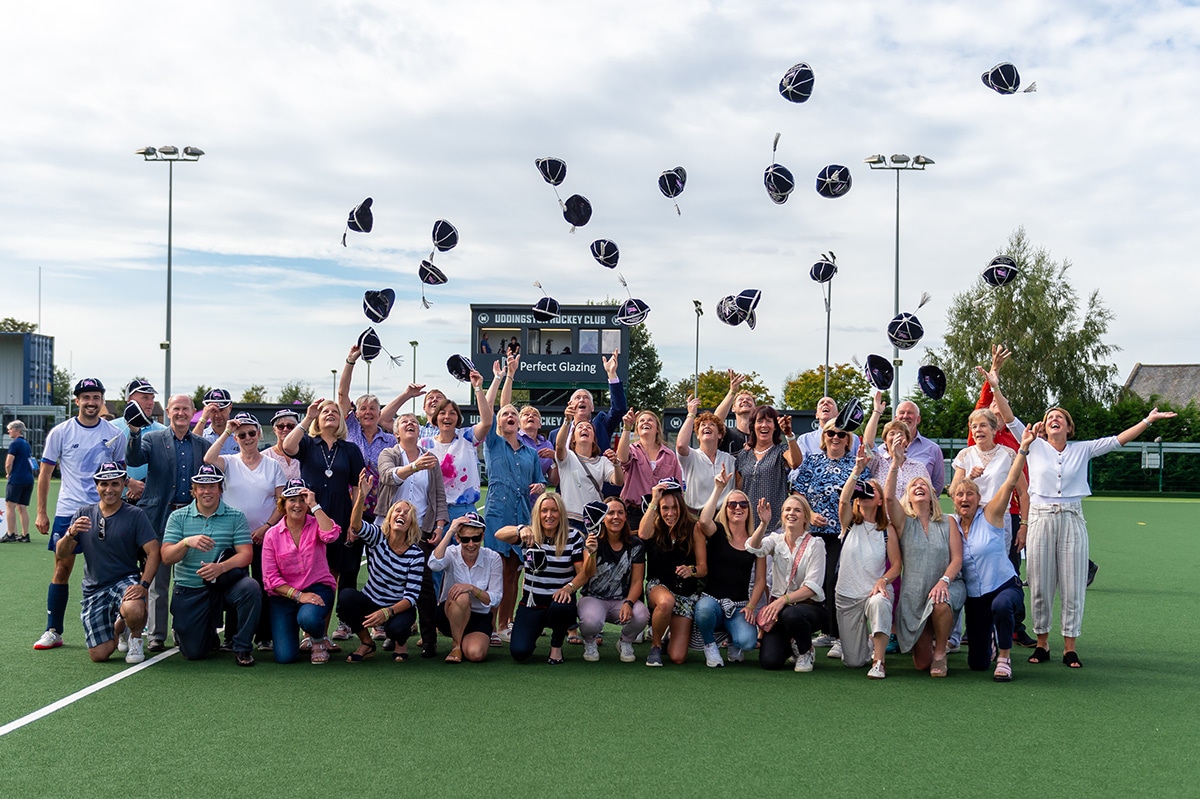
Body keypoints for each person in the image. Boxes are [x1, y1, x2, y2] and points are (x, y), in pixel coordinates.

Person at [990, 376, 1175, 668]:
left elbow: (1118, 440)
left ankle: (1070, 647)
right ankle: (1041, 645)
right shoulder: (1034, 446)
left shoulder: (1083, 449)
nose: (1054, 420)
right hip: (1040, 517)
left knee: (1074, 584)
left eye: (1060, 417)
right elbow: (1010, 416)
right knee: (1039, 583)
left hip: (1073, 518)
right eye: (1050, 417)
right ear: (1044, 425)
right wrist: (996, 385)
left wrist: (1148, 420)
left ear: (1068, 426)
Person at [33, 378, 126, 651]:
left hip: (106, 511)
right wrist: (41, 512)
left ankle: (116, 631)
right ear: (76, 401)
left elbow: (120, 475)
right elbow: (46, 473)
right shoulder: (60, 432)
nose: (91, 402)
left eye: (95, 397)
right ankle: (53, 630)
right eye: (85, 397)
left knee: (111, 571)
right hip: (69, 511)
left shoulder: (114, 433)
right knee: (62, 567)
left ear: (102, 400)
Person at [949, 425, 1035, 681]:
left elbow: (1010, 483)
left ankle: (1005, 658)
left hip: (1004, 588)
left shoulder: (991, 515)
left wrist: (1023, 449)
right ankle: (989, 644)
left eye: (970, 494)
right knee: (976, 664)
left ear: (979, 498)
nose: (965, 498)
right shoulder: (951, 525)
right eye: (960, 495)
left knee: (1001, 605)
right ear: (954, 500)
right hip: (976, 598)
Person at [125, 393, 209, 652]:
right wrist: (134, 432)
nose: (181, 413)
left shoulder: (202, 445)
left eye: (185, 408)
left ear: (193, 411)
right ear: (169, 411)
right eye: (176, 408)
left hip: (191, 520)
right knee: (158, 581)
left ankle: (184, 630)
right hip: (160, 518)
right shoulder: (151, 438)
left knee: (190, 582)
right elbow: (134, 459)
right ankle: (157, 634)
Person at [57, 462, 160, 664]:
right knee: (100, 655)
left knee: (134, 607)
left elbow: (154, 551)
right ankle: (119, 624)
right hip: (94, 587)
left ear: (123, 485)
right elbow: (62, 553)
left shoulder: (135, 514)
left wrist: (144, 585)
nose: (109, 489)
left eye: (115, 484)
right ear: (96, 486)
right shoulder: (83, 513)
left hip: (124, 579)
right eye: (104, 484)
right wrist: (71, 534)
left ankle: (136, 638)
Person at [282, 397, 366, 640]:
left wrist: (354, 522)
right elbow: (288, 446)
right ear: (317, 419)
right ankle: (309, 633)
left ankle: (322, 635)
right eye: (325, 411)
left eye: (335, 412)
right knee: (311, 574)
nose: (330, 413)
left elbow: (358, 488)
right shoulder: (308, 444)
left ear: (341, 420)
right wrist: (307, 416)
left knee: (332, 576)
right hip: (309, 518)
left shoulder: (350, 449)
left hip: (340, 516)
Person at [160, 464, 261, 666]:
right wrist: (187, 542)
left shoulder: (235, 516)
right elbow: (167, 557)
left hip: (224, 586)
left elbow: (246, 555)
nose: (207, 491)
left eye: (212, 486)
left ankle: (241, 647)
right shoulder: (178, 517)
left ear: (220, 489)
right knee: (194, 653)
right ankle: (200, 632)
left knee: (251, 588)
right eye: (202, 487)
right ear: (194, 490)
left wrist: (220, 568)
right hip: (190, 588)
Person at [204, 412, 285, 651]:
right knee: (235, 586)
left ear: (259, 434)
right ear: (236, 438)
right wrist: (227, 431)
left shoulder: (273, 465)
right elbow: (208, 459)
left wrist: (266, 527)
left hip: (265, 537)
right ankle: (232, 636)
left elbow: (281, 502)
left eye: (251, 433)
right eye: (242, 434)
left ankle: (263, 637)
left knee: (264, 585)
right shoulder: (229, 461)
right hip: (234, 538)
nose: (247, 437)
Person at [886, 443, 964, 678]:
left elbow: (957, 559)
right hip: (915, 594)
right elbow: (888, 498)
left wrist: (943, 581)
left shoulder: (948, 521)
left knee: (941, 602)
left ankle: (941, 652)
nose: (920, 486)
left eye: (924, 485)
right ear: (908, 497)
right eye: (914, 486)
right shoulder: (903, 523)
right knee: (921, 664)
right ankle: (930, 637)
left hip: (947, 586)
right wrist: (895, 464)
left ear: (932, 494)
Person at [788, 418, 863, 655]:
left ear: (848, 439)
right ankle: (824, 631)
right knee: (812, 583)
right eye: (831, 433)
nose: (835, 438)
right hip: (813, 535)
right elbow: (798, 495)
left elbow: (863, 499)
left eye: (841, 434)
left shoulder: (855, 464)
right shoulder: (811, 461)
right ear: (824, 436)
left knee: (834, 581)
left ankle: (841, 635)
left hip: (843, 535)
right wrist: (809, 514)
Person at [378, 411, 448, 655]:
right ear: (396, 432)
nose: (410, 424)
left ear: (419, 432)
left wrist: (439, 525)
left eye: (413, 422)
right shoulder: (389, 454)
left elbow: (439, 495)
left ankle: (429, 640)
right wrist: (414, 466)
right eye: (403, 422)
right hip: (392, 532)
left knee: (425, 587)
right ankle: (394, 634)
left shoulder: (431, 459)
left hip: (421, 532)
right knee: (391, 584)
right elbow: (388, 477)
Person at [338, 469, 425, 663]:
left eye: (406, 513)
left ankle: (400, 643)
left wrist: (387, 612)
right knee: (345, 598)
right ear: (390, 516)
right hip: (372, 600)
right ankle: (367, 643)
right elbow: (356, 526)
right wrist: (362, 495)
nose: (401, 514)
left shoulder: (416, 554)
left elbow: (411, 597)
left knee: (397, 628)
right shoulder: (378, 537)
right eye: (397, 510)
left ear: (411, 523)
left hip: (398, 606)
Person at [482, 390, 544, 645]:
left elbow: (540, 479)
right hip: (498, 513)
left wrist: (540, 486)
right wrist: (496, 381)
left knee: (512, 574)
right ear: (498, 422)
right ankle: (488, 627)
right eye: (505, 413)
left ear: (519, 423)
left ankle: (505, 624)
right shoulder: (493, 443)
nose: (509, 416)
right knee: (494, 571)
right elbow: (487, 409)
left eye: (513, 414)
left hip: (523, 514)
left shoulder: (530, 453)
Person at [337, 345, 426, 519]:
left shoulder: (391, 440)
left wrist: (407, 394)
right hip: (350, 502)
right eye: (363, 408)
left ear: (379, 414)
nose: (368, 412)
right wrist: (350, 361)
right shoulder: (351, 429)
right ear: (356, 414)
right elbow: (342, 395)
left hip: (382, 507)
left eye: (373, 409)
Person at [496, 493, 584, 664]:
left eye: (554, 511)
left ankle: (556, 646)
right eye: (544, 511)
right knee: (519, 652)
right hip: (532, 603)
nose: (549, 515)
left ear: (561, 513)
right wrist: (520, 529)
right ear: (537, 513)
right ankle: (533, 629)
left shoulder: (573, 537)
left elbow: (583, 573)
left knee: (562, 607)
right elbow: (499, 534)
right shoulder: (530, 536)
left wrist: (569, 588)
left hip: (558, 601)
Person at [834, 452, 900, 678]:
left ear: (880, 500)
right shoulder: (849, 523)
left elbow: (896, 565)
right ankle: (866, 645)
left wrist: (883, 580)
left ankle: (879, 661)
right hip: (847, 594)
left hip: (874, 591)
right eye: (861, 492)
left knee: (881, 602)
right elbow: (844, 500)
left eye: (870, 491)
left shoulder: (887, 530)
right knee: (853, 661)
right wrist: (857, 471)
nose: (863, 495)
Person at [260, 479, 340, 664]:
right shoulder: (272, 535)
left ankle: (318, 640)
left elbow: (331, 535)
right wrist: (298, 595)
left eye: (302, 499)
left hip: (317, 588)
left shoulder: (316, 524)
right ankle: (300, 636)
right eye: (292, 500)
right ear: (283, 504)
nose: (297, 505)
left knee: (308, 617)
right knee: (285, 657)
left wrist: (315, 505)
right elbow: (270, 578)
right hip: (284, 595)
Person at [694, 467, 767, 667]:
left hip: (739, 605)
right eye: (732, 504)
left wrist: (751, 606)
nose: (737, 508)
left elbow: (761, 579)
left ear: (749, 509)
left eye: (743, 504)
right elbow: (703, 520)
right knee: (704, 611)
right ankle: (710, 646)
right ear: (725, 509)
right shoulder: (717, 531)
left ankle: (734, 640)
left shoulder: (755, 540)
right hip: (712, 601)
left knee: (748, 642)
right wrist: (718, 489)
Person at [747, 493, 827, 672]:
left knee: (792, 614)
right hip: (780, 611)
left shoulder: (816, 544)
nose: (792, 513)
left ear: (806, 517)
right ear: (782, 515)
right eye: (788, 510)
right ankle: (791, 645)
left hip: (808, 608)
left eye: (797, 510)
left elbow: (812, 587)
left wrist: (783, 600)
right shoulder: (775, 539)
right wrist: (763, 523)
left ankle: (806, 651)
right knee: (770, 662)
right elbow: (753, 547)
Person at [637, 478, 707, 666]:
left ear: (681, 506)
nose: (670, 513)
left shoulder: (694, 528)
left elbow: (703, 568)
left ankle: (667, 634)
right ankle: (656, 645)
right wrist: (654, 500)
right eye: (665, 508)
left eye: (674, 507)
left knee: (677, 657)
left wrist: (690, 570)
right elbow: (642, 534)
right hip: (658, 586)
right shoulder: (655, 527)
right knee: (667, 602)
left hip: (685, 593)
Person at [577, 497, 650, 663]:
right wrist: (592, 552)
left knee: (642, 614)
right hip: (594, 597)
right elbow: (587, 573)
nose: (616, 517)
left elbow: (638, 580)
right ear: (603, 517)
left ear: (625, 517)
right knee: (590, 621)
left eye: (620, 513)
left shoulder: (636, 544)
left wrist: (629, 602)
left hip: (621, 600)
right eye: (610, 513)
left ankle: (625, 641)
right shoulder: (593, 540)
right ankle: (590, 641)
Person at [428, 512, 503, 663]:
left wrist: (471, 588)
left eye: (476, 538)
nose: (471, 544)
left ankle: (463, 642)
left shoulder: (493, 558)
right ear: (457, 538)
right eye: (465, 539)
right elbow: (434, 564)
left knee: (476, 654)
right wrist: (449, 531)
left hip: (479, 616)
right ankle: (456, 646)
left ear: (482, 537)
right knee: (462, 596)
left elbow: (495, 599)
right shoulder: (451, 552)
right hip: (449, 614)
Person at [734, 405, 802, 532]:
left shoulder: (781, 450)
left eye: (769, 421)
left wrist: (789, 435)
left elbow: (795, 462)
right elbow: (738, 489)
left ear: (775, 426)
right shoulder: (744, 455)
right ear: (753, 426)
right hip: (748, 526)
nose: (764, 425)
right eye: (760, 421)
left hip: (776, 527)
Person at [554, 398, 623, 522]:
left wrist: (617, 464)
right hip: (569, 520)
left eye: (589, 428)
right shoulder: (567, 457)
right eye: (580, 427)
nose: (585, 428)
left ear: (594, 439)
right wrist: (567, 421)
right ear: (573, 438)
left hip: (593, 520)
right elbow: (559, 446)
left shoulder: (603, 461)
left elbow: (618, 481)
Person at [548, 350, 626, 454]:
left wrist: (611, 374)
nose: (582, 400)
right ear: (569, 405)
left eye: (586, 397)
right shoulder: (555, 435)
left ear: (592, 407)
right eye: (577, 398)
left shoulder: (601, 424)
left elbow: (619, 409)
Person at [618, 409, 682, 530]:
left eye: (650, 420)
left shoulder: (669, 455)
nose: (645, 422)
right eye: (641, 421)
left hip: (662, 513)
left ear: (657, 428)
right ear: (637, 429)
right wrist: (627, 428)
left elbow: (678, 488)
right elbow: (621, 458)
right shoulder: (631, 449)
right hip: (634, 512)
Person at [108, 379, 165, 503]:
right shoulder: (111, 428)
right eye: (145, 398)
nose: (150, 403)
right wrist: (128, 482)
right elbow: (103, 462)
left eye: (152, 398)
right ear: (129, 400)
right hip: (117, 500)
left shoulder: (163, 431)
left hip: (152, 502)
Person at [676, 396, 736, 511]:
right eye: (703, 425)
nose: (707, 426)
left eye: (712, 425)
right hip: (696, 516)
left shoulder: (730, 460)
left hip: (723, 517)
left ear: (719, 435)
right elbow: (681, 445)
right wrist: (691, 414)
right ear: (698, 435)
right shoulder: (691, 457)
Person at [884, 399, 945, 497]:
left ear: (918, 419)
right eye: (902, 413)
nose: (905, 416)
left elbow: (937, 485)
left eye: (910, 413)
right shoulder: (881, 450)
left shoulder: (933, 449)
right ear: (895, 418)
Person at [3, 419, 34, 542]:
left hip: (17, 478)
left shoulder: (14, 444)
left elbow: (9, 463)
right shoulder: (26, 444)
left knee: (10, 505)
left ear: (17, 430)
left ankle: (11, 533)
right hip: (28, 478)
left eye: (10, 429)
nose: (9, 431)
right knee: (22, 507)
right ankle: (25, 534)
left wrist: (8, 473)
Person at [713, 370, 755, 453]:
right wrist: (732, 392)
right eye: (741, 399)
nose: (745, 401)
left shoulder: (761, 436)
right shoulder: (727, 434)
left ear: (755, 408)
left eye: (749, 399)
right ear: (733, 408)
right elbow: (715, 420)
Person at [193, 388, 238, 456]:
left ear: (230, 408)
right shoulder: (203, 435)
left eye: (222, 410)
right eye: (213, 411)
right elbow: (192, 446)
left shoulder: (240, 435)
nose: (218, 415)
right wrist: (203, 418)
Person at [262, 409, 302, 482]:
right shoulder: (264, 456)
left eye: (290, 426)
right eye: (280, 426)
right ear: (274, 430)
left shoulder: (306, 453)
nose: (285, 429)